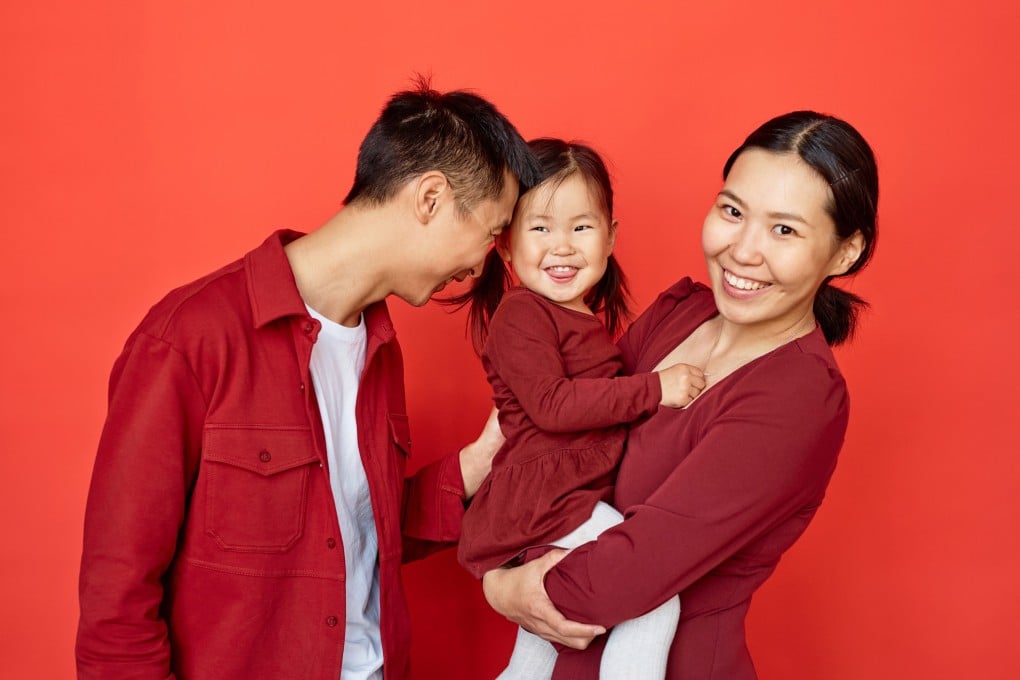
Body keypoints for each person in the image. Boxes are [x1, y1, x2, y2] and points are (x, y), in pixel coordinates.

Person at [75, 80, 540, 680]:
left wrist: (478, 462)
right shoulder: (189, 341)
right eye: (489, 231)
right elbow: (116, 604)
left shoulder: (381, 350)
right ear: (430, 198)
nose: (481, 264)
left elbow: (352, 535)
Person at [481, 110, 879, 679]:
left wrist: (502, 579)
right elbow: (555, 444)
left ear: (845, 252)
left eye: (784, 230)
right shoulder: (681, 312)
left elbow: (624, 576)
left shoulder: (797, 399)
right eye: (733, 211)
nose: (743, 250)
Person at [449, 139, 704, 679]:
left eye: (581, 228)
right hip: (545, 505)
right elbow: (554, 407)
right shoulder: (521, 314)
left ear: (610, 237)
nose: (561, 247)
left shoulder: (584, 322)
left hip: (566, 499)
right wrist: (657, 388)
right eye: (540, 228)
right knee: (653, 595)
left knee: (534, 662)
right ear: (505, 244)